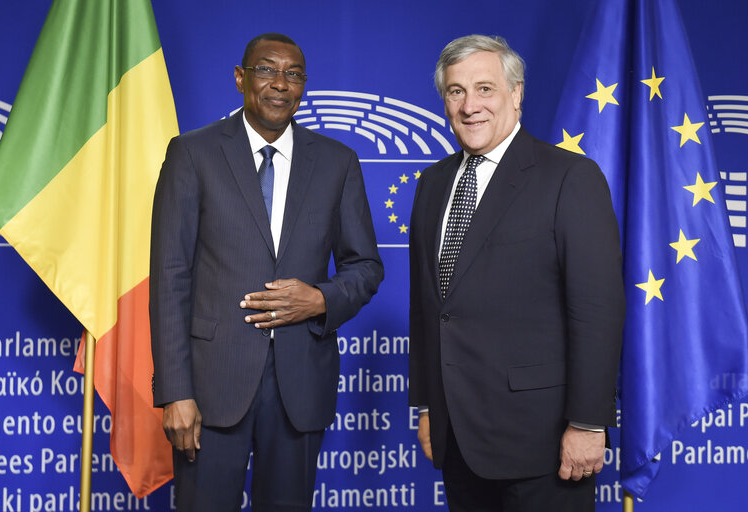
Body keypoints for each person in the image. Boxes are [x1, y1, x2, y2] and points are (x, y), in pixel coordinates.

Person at [149, 33, 383, 511]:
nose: (280, 83)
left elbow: (365, 266)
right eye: (266, 69)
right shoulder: (192, 154)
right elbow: (170, 276)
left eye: (293, 74)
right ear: (240, 78)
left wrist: (321, 299)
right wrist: (175, 391)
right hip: (211, 387)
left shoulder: (338, 163)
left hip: (300, 386)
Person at [408, 34, 625, 511]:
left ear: (516, 94)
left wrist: (589, 423)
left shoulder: (570, 177)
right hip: (458, 437)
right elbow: (428, 309)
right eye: (456, 91)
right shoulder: (432, 184)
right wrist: (427, 406)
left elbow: (597, 311)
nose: (470, 106)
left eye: (485, 88)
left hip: (543, 441)